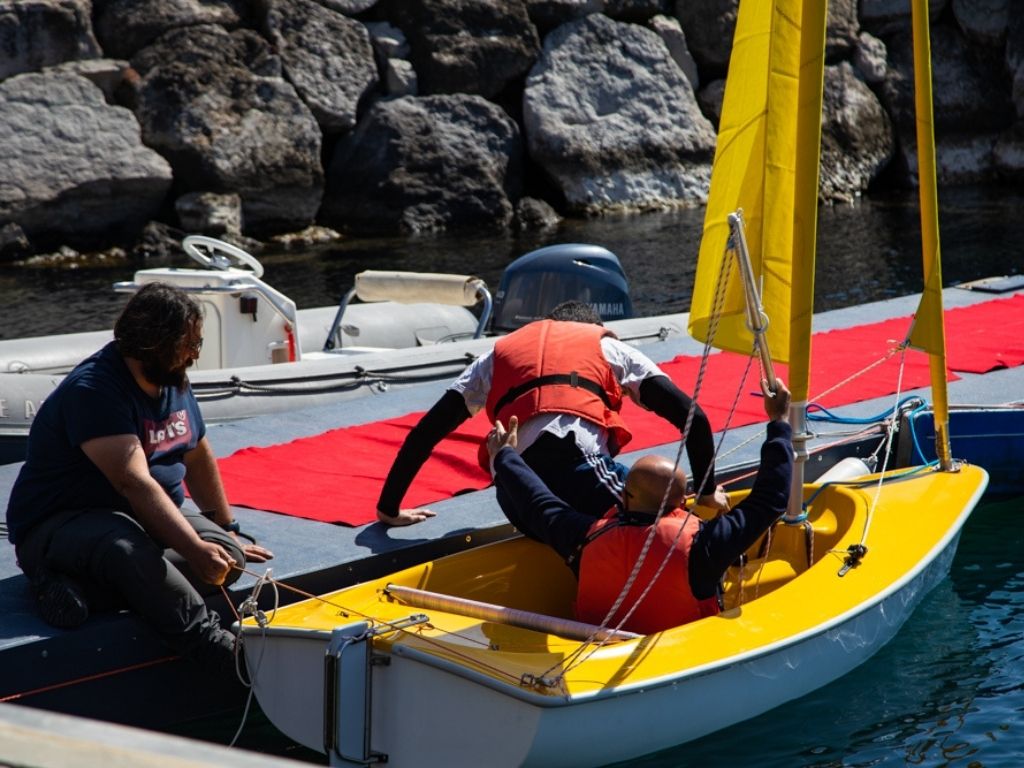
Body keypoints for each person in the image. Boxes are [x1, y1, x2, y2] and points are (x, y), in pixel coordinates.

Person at [5, 282, 273, 673]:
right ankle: (215, 648)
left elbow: (197, 454)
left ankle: (78, 590)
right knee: (128, 552)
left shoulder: (173, 378)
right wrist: (194, 551)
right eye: (189, 344)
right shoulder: (95, 390)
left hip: (137, 519)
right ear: (156, 343)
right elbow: (133, 482)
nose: (195, 355)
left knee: (225, 556)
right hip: (62, 524)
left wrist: (223, 528)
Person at [377, 300, 729, 527]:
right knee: (663, 497)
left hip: (517, 499)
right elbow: (692, 417)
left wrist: (389, 509)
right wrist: (708, 492)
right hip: (580, 478)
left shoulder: (495, 356)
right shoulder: (608, 346)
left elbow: (426, 432)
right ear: (595, 328)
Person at [485, 378, 793, 635]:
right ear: (682, 504)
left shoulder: (584, 538)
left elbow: (537, 501)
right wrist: (778, 422)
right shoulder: (705, 544)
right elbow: (770, 499)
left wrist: (505, 456)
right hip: (680, 658)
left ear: (624, 497)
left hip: (595, 658)